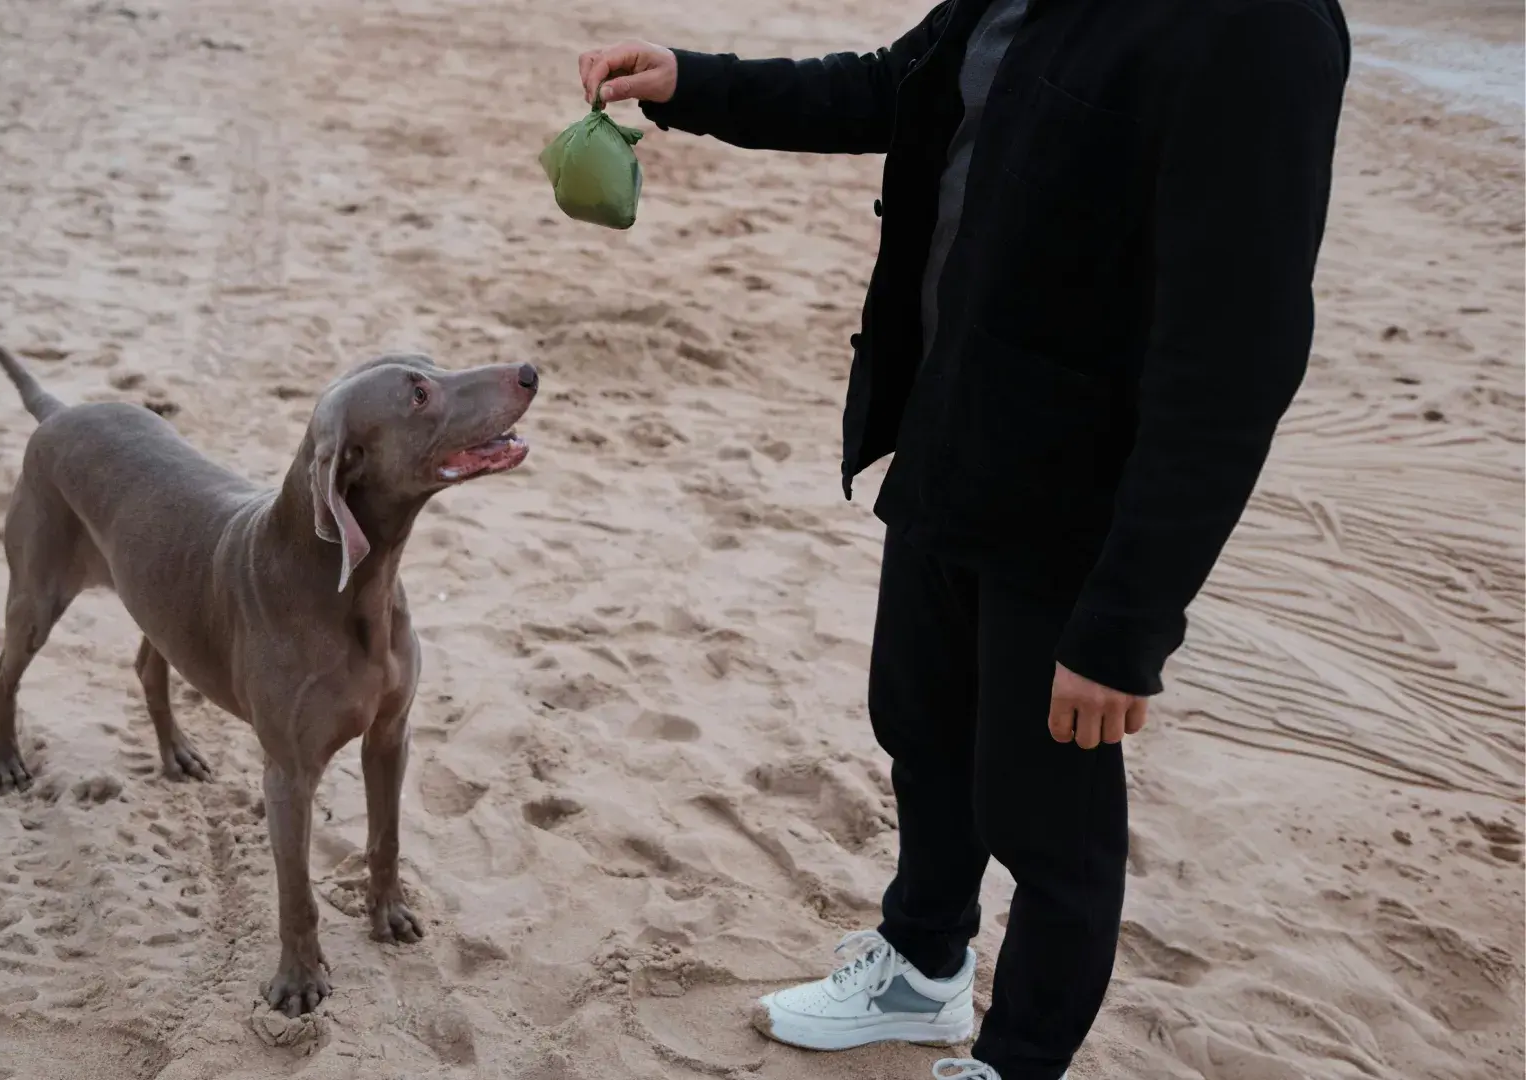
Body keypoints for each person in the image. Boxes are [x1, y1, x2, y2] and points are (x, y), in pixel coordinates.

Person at [577, 1, 1350, 1078]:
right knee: (922, 727)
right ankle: (922, 967)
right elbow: (898, 88)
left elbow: (1237, 357)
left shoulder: (1258, 29)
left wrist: (1128, 620)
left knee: (1048, 822)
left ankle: (1018, 1060)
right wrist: (690, 83)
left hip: (1076, 505)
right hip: (953, 436)